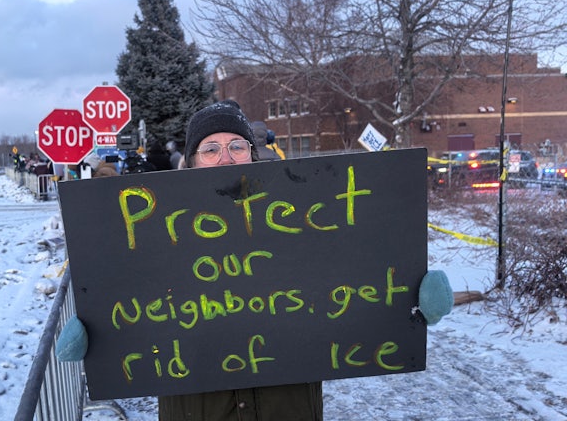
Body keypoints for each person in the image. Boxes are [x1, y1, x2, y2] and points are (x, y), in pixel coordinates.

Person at [56, 100, 454, 421]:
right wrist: (96, 332)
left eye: (236, 146)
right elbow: (129, 302)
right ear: (191, 160)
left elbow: (353, 284)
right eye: (211, 148)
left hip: (287, 406)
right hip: (195, 409)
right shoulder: (152, 229)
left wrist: (414, 301)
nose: (225, 158)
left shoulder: (301, 219)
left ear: (253, 153)